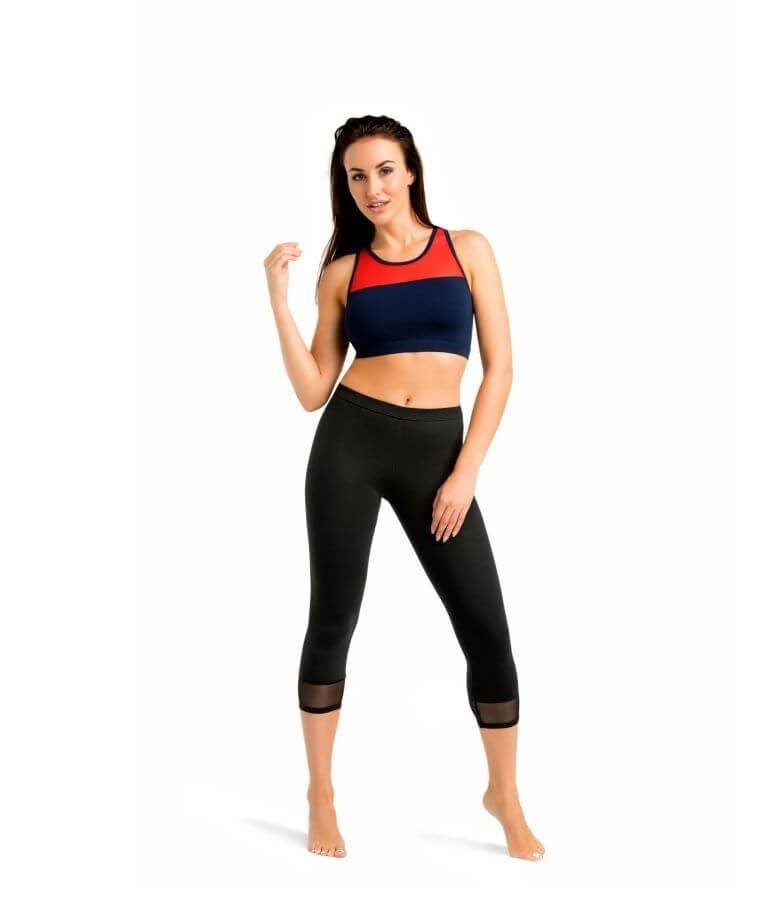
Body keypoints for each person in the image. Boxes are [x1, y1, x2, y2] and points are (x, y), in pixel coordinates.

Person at [263, 115, 544, 862]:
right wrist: (279, 301)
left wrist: (465, 471)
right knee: (333, 618)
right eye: (357, 176)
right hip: (350, 444)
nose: (373, 188)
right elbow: (313, 391)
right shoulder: (342, 273)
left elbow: (501, 369)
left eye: (384, 170)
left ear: (411, 170)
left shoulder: (467, 249)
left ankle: (504, 795)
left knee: (487, 628)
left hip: (438, 456)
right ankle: (321, 793)